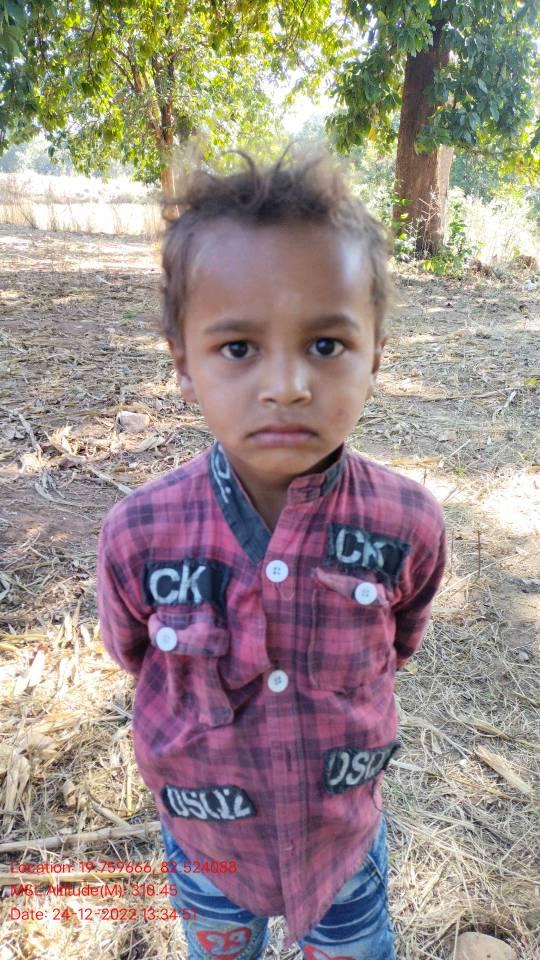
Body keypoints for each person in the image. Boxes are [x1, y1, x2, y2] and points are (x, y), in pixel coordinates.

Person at [96, 146, 447, 960]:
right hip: (208, 844)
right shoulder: (138, 535)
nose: (287, 384)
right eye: (238, 348)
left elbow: (400, 643)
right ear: (184, 366)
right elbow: (134, 654)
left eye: (325, 344)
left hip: (341, 845)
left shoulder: (408, 525)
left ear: (375, 357)